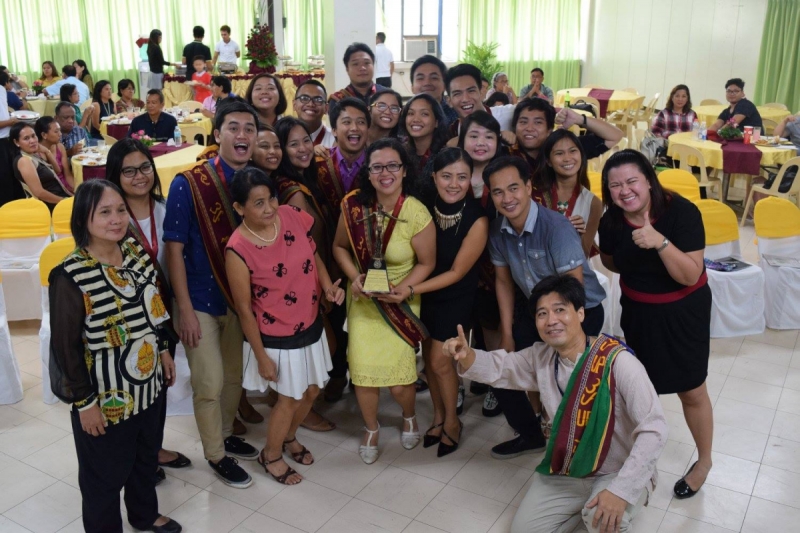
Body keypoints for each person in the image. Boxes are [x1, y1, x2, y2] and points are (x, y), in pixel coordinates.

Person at [444, 275, 667, 533]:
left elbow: (655, 429)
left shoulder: (618, 362)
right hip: (568, 469)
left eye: (560, 310)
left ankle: (598, 506)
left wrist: (621, 490)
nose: (551, 320)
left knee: (603, 522)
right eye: (542, 314)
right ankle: (580, 508)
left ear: (581, 313)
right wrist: (468, 355)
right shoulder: (542, 358)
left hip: (616, 471)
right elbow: (501, 367)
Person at [47, 179, 181, 533]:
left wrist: (164, 349)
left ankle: (143, 515)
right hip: (106, 399)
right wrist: (84, 403)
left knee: (144, 458)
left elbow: (156, 307)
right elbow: (66, 348)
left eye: (120, 210)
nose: (116, 219)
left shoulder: (135, 253)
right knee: (102, 478)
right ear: (83, 219)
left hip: (149, 385)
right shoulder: (71, 274)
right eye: (104, 212)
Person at [598, 149, 713, 500]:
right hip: (639, 313)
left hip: (683, 314)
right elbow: (612, 261)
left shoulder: (682, 213)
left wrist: (659, 242)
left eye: (632, 181)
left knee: (691, 389)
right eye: (615, 185)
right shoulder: (612, 221)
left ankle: (704, 462)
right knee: (639, 390)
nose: (624, 191)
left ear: (649, 180)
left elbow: (690, 273)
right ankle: (639, 457)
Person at [164, 97, 261, 489]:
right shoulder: (189, 183)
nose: (242, 135)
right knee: (209, 381)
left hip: (238, 302)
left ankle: (223, 434)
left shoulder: (257, 183)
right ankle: (216, 456)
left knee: (234, 379)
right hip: (198, 301)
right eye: (233, 128)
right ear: (217, 134)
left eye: (249, 129)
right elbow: (173, 249)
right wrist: (183, 308)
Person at [226, 168, 344, 485]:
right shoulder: (238, 249)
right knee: (288, 399)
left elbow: (314, 254)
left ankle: (290, 437)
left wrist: (327, 287)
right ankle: (272, 454)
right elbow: (244, 310)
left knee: (314, 389)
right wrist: (263, 357)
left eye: (271, 199)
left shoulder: (291, 215)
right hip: (276, 337)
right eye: (259, 203)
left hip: (310, 323)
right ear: (239, 208)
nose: (269, 209)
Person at [484, 156, 606, 461]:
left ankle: (581, 445)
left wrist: (559, 339)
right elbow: (502, 282)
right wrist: (508, 334)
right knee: (500, 369)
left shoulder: (556, 226)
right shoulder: (498, 231)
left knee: (564, 378)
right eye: (498, 192)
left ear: (528, 187)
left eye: (513, 188)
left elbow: (572, 288)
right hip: (535, 312)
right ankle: (530, 434)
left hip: (579, 311)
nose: (507, 198)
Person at [332, 138, 435, 463]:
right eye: (377, 167)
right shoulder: (352, 205)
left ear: (404, 171)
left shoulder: (417, 213)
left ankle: (408, 416)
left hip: (400, 301)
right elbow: (339, 248)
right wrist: (354, 278)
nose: (385, 173)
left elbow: (427, 263)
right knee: (362, 375)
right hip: (363, 301)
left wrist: (404, 288)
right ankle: (371, 427)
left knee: (401, 381)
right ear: (369, 172)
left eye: (393, 165)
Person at [105, 138, 193, 480]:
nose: (139, 176)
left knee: (159, 386)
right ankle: (136, 457)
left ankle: (153, 448)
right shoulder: (109, 214)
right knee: (133, 387)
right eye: (129, 170)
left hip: (162, 314)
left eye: (145, 167)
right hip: (126, 318)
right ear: (116, 174)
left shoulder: (166, 206)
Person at [414, 148, 488, 456]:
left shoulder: (478, 217)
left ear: (471, 178)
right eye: (446, 176)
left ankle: (453, 423)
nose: (454, 184)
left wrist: (411, 288)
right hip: (424, 295)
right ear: (434, 177)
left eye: (462, 176)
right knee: (430, 362)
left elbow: (458, 272)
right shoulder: (422, 207)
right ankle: (438, 416)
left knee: (438, 361)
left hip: (456, 297)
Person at [512, 98, 623, 178]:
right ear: (515, 126)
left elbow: (614, 136)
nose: (529, 128)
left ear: (549, 130)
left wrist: (579, 119)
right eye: (523, 122)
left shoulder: (565, 149)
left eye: (538, 122)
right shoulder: (507, 153)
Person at [536, 129, 602, 258]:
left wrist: (577, 234)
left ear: (581, 156)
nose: (567, 158)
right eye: (559, 153)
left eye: (573, 151)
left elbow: (584, 254)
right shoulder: (536, 195)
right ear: (548, 161)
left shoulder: (593, 203)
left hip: (573, 273)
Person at [10, 122, 71, 209]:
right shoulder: (24, 161)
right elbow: (39, 192)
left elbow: (57, 171)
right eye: (26, 138)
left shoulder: (32, 155)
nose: (32, 141)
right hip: (51, 205)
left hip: (60, 198)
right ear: (16, 142)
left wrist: (47, 152)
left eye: (33, 136)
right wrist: (64, 201)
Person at [445, 63, 515, 136]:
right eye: (457, 94)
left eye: (471, 91)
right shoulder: (451, 133)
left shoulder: (506, 114)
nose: (465, 99)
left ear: (481, 91)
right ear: (449, 101)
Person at [328, 42, 387, 119]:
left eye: (367, 63)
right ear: (347, 69)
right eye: (356, 64)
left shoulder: (386, 95)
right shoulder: (338, 101)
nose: (362, 68)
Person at [399, 93, 450, 181]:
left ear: (437, 122)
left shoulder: (446, 155)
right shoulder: (400, 153)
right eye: (411, 113)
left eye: (424, 114)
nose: (416, 119)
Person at [410, 54, 458, 127]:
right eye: (420, 78)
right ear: (412, 87)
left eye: (434, 78)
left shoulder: (456, 114)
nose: (427, 83)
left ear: (444, 85)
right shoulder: (404, 115)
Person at [35, 116, 74, 195]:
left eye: (60, 130)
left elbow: (67, 175)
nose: (60, 134)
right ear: (44, 135)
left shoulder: (59, 147)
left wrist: (76, 190)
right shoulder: (36, 153)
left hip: (64, 186)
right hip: (51, 190)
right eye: (56, 131)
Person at [0, 70, 23, 207]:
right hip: (2, 140)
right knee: (6, 177)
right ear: (6, 83)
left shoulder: (3, 92)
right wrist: (10, 122)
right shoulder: (1, 91)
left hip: (5, 139)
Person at [292, 79, 335, 147]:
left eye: (318, 100)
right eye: (304, 98)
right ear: (294, 105)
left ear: (326, 108)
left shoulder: (335, 140)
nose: (310, 104)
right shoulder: (285, 137)